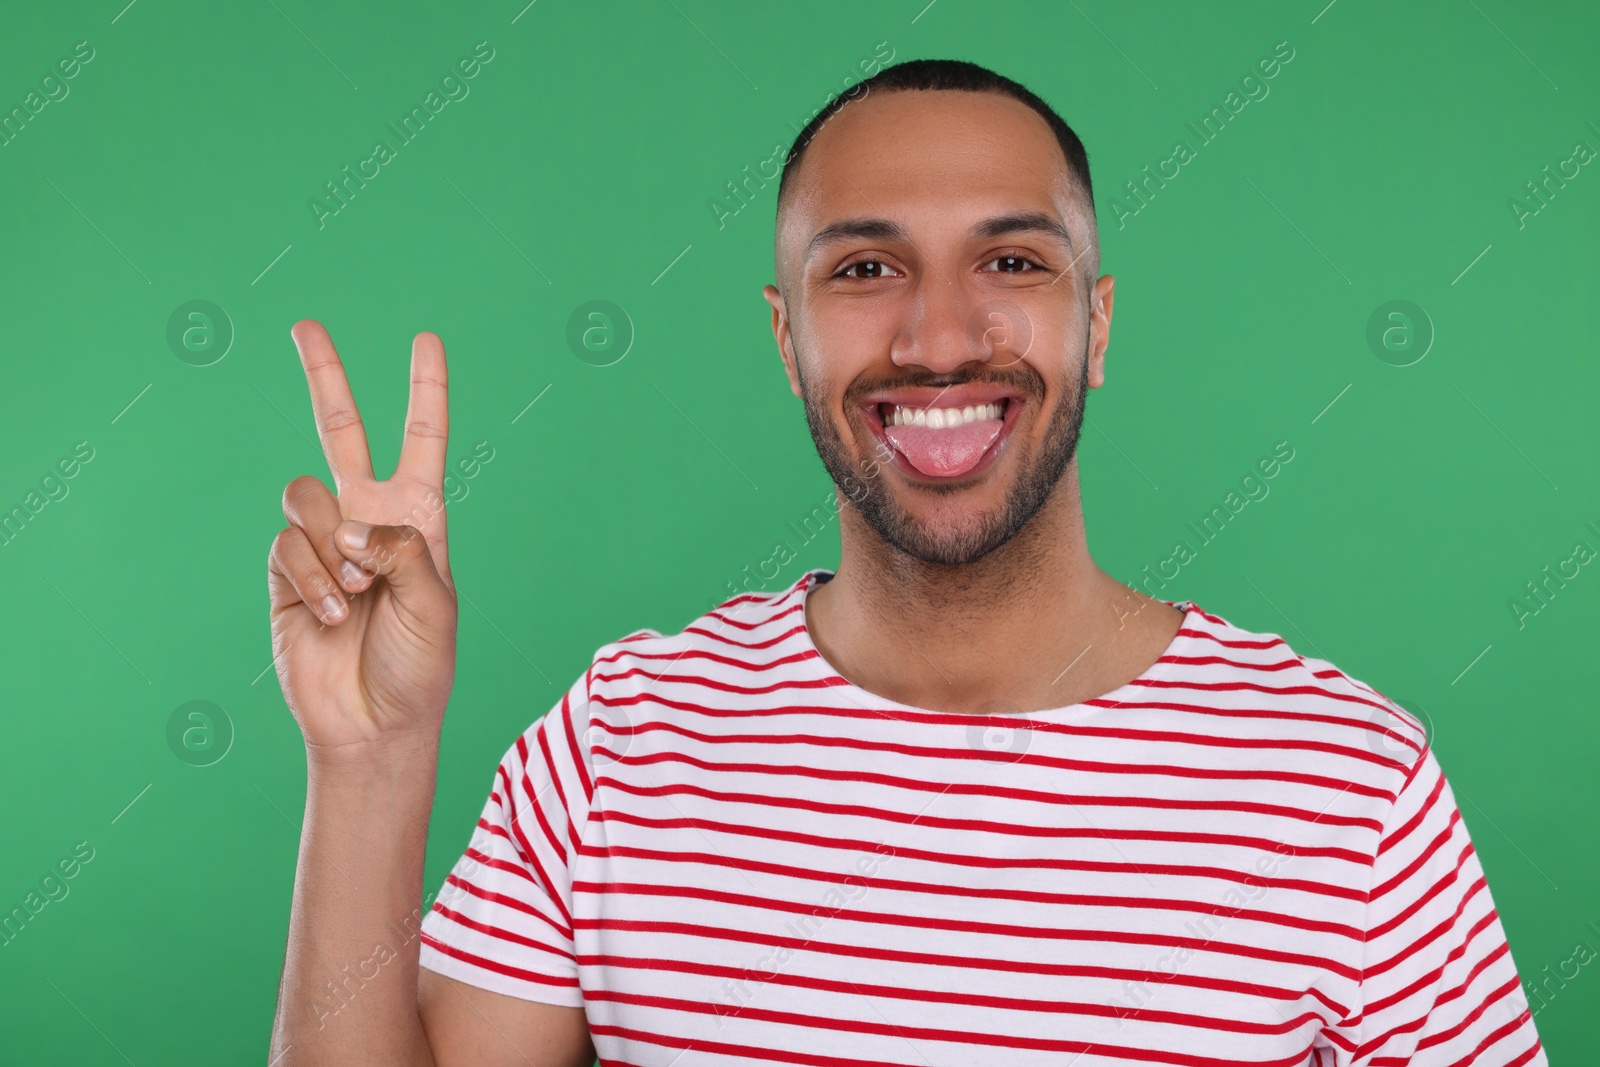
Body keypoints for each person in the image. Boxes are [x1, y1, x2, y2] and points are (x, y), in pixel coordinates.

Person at [266, 58, 1546, 1066]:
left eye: (1011, 260)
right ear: (785, 337)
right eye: (867, 268)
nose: (939, 338)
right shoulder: (620, 745)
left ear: (1094, 321)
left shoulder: (1343, 777)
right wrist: (367, 760)